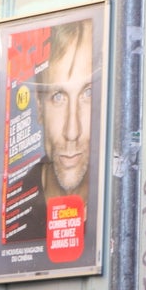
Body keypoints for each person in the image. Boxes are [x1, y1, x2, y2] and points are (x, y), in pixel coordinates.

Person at [38, 17, 97, 220]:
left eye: (88, 94)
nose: (72, 131)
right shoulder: (11, 212)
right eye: (58, 97)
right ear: (39, 109)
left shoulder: (119, 198)